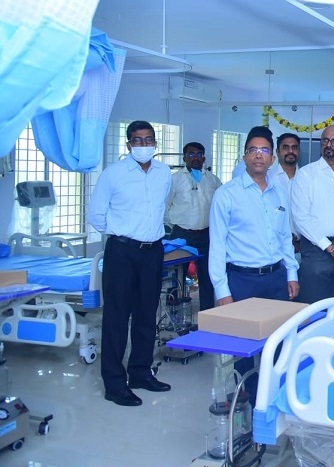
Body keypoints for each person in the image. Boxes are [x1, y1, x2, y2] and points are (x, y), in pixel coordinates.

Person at [208, 126, 300, 402]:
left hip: (276, 278)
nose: (259, 155)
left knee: (279, 341)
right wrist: (222, 291)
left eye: (264, 151)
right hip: (242, 280)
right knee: (243, 348)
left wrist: (292, 273)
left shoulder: (278, 193)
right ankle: (246, 398)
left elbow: (284, 237)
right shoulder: (226, 195)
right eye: (253, 150)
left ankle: (275, 396)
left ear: (272, 158)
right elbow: (217, 246)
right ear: (244, 156)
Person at [87, 120, 172, 407]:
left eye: (148, 140)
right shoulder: (113, 174)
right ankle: (114, 383)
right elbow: (96, 215)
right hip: (122, 252)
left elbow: (160, 208)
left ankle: (140, 373)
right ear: (128, 144)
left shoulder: (163, 173)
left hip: (153, 251)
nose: (143, 145)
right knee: (117, 317)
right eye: (137, 140)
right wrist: (122, 233)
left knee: (147, 314)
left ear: (155, 144)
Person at [291, 124, 334, 305]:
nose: (329, 145)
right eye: (325, 140)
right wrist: (328, 247)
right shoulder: (306, 175)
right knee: (313, 308)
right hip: (316, 251)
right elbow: (300, 217)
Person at [165, 141, 222, 311]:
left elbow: (220, 205)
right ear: (184, 158)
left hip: (206, 234)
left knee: (206, 275)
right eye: (191, 154)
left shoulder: (212, 180)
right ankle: (173, 310)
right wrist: (175, 223)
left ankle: (207, 312)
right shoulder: (175, 179)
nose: (195, 158)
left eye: (199, 154)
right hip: (181, 234)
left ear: (204, 158)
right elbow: (165, 206)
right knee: (176, 274)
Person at [271, 132, 302, 262]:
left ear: (299, 151)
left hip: (303, 247)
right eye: (285, 147)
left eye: (294, 147)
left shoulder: (308, 179)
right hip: (274, 247)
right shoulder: (267, 179)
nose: (290, 151)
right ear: (277, 152)